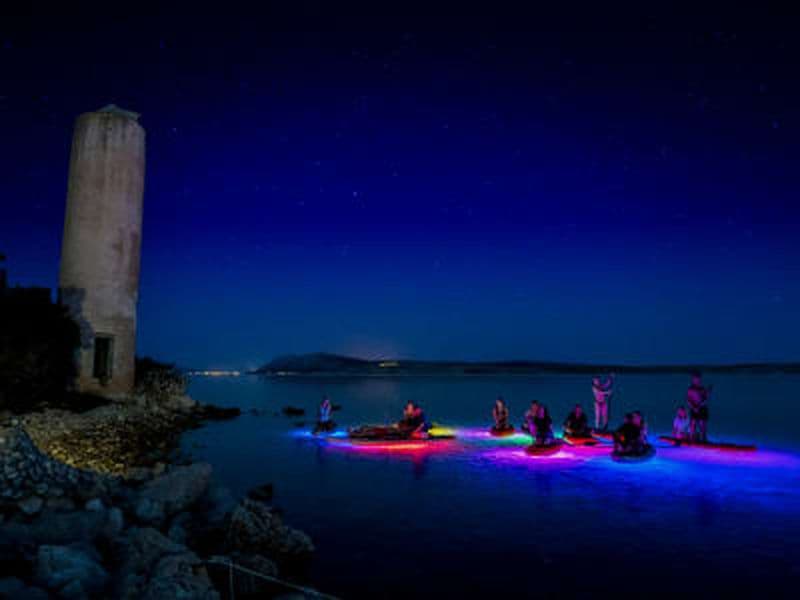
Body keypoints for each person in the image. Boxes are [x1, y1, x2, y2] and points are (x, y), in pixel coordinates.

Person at [687, 372, 712, 442]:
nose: (697, 381)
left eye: (698, 379)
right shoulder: (690, 389)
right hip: (694, 408)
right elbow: (688, 400)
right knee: (693, 424)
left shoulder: (702, 389)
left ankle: (704, 440)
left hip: (702, 408)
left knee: (702, 425)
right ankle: (692, 439)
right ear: (693, 380)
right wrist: (693, 407)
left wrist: (708, 392)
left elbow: (705, 399)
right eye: (695, 379)